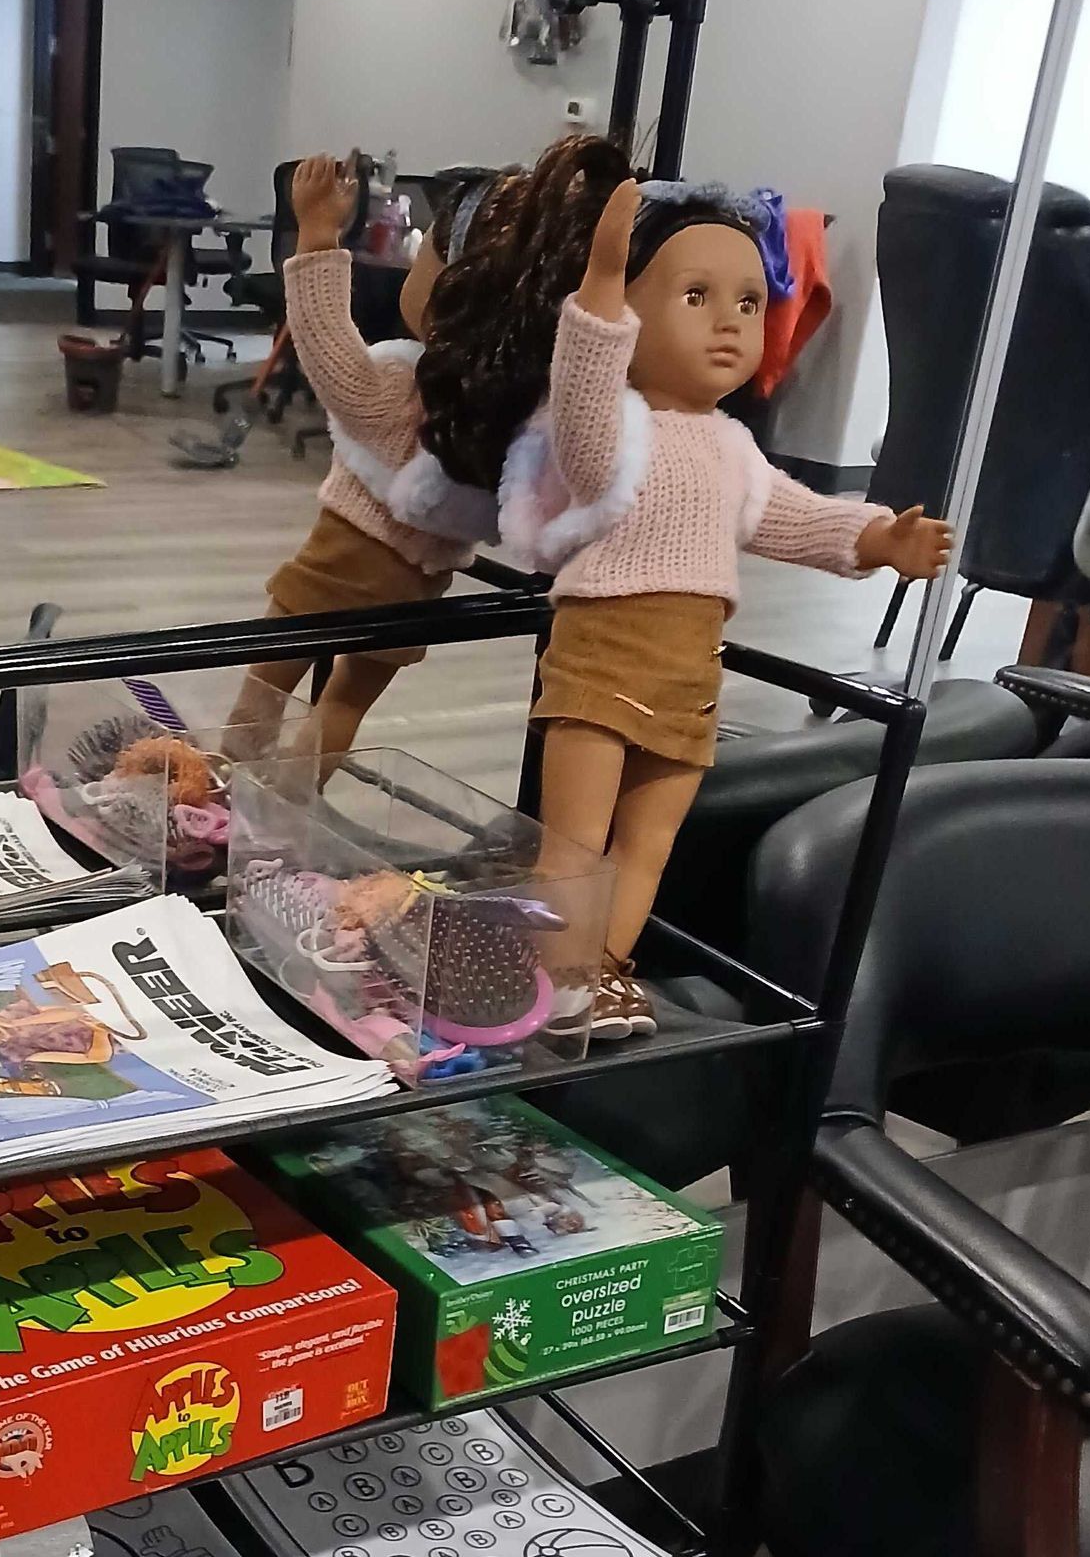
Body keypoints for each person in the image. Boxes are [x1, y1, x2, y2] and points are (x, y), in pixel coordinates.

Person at [517, 172, 950, 1036]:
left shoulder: (734, 447)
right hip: (602, 655)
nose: (729, 322)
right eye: (696, 295)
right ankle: (550, 979)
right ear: (631, 315)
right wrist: (599, 292)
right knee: (574, 839)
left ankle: (597, 976)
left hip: (690, 671)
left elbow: (798, 517)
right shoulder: (614, 433)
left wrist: (875, 538)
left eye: (750, 302)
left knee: (648, 844)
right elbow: (585, 411)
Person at [222, 153, 516, 773]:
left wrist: (318, 237)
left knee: (265, 689)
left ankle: (228, 786)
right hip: (418, 589)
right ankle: (291, 804)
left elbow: (326, 343)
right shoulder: (510, 414)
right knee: (343, 708)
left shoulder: (400, 388)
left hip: (339, 561)